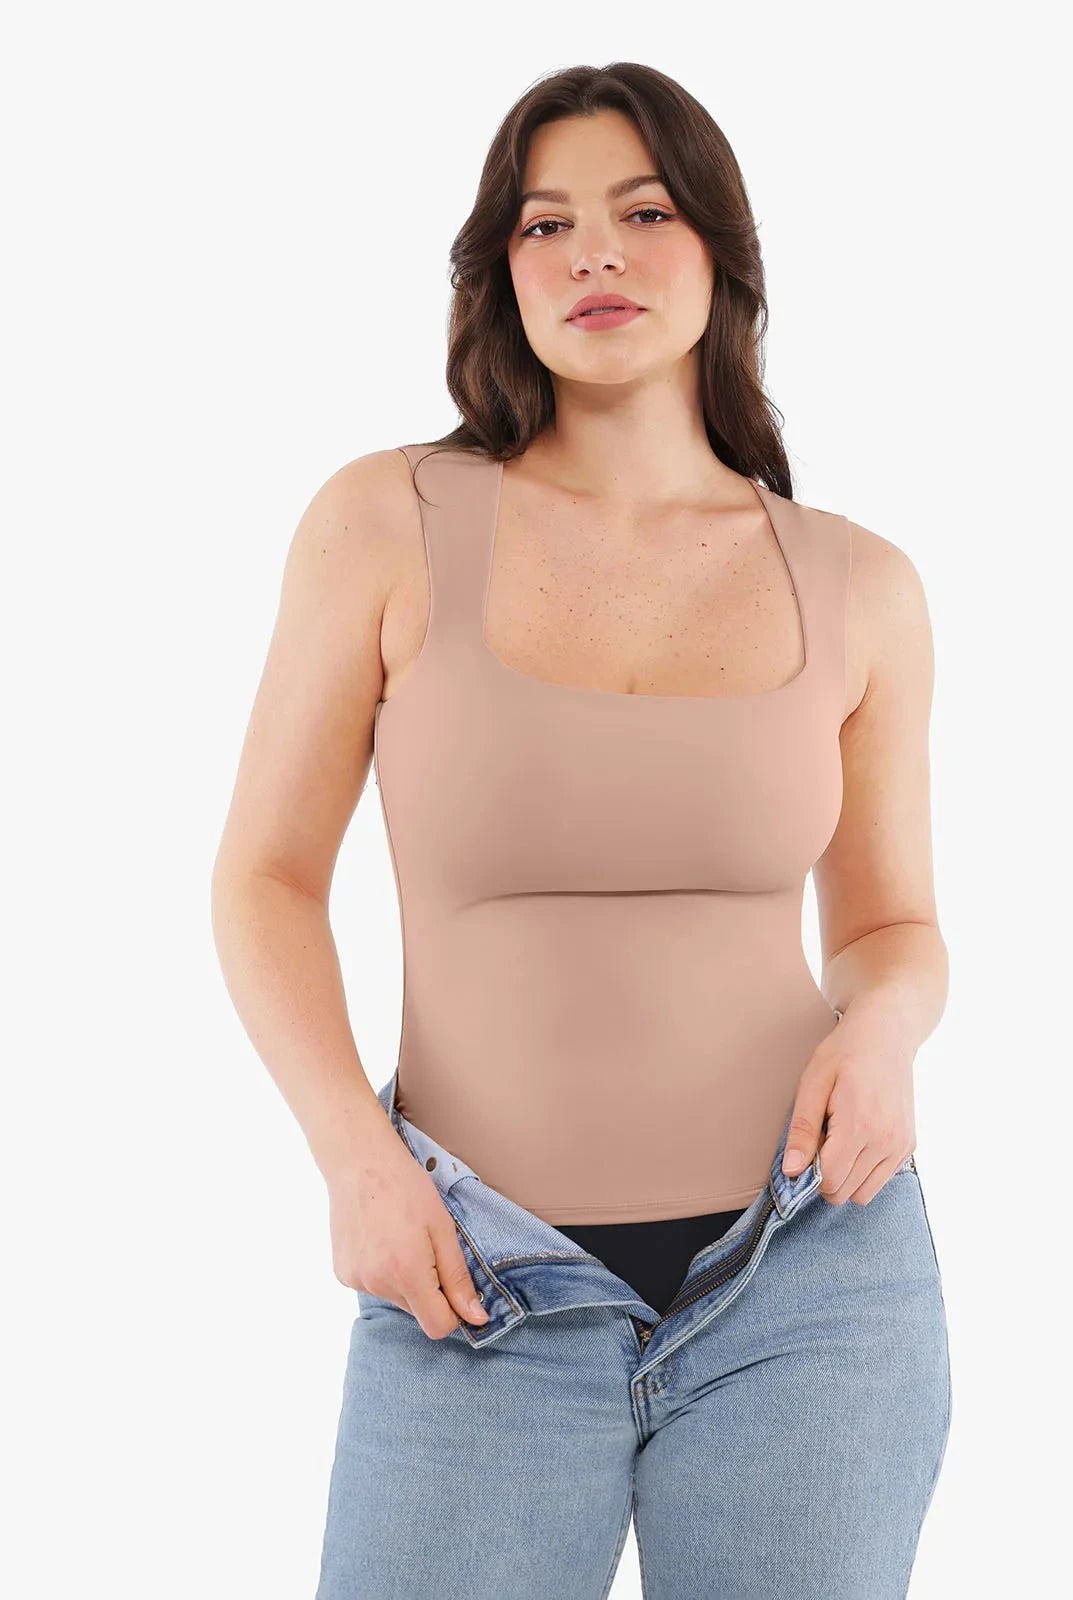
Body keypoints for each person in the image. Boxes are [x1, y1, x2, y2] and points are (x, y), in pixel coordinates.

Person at [212, 60, 952, 1600]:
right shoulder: (387, 522)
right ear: (502, 271)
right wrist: (355, 1159)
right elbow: (267, 879)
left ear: (723, 253)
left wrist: (885, 1031)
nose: (594, 253)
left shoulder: (862, 583)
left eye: (644, 212)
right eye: (546, 224)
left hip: (807, 1273)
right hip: (469, 1276)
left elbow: (892, 925)